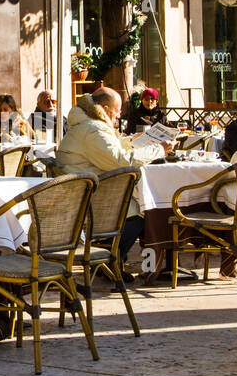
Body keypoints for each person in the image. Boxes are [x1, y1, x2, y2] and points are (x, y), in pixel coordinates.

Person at [56, 87, 174, 280]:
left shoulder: (88, 124)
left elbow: (110, 148)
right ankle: (110, 261)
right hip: (91, 199)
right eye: (117, 110)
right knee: (143, 211)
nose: (119, 115)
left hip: (84, 192)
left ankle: (111, 259)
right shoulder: (92, 129)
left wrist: (131, 141)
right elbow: (121, 160)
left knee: (139, 204)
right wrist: (159, 150)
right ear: (105, 108)